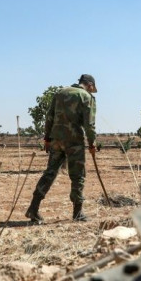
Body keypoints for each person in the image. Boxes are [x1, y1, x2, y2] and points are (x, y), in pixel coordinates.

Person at [25, 74, 97, 223]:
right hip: (74, 141)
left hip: (56, 139)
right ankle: (78, 213)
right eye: (92, 88)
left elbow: (49, 117)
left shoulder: (60, 93)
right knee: (78, 175)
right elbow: (89, 125)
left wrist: (47, 138)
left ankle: (33, 208)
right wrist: (92, 143)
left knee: (49, 173)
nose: (92, 91)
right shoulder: (86, 97)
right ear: (89, 85)